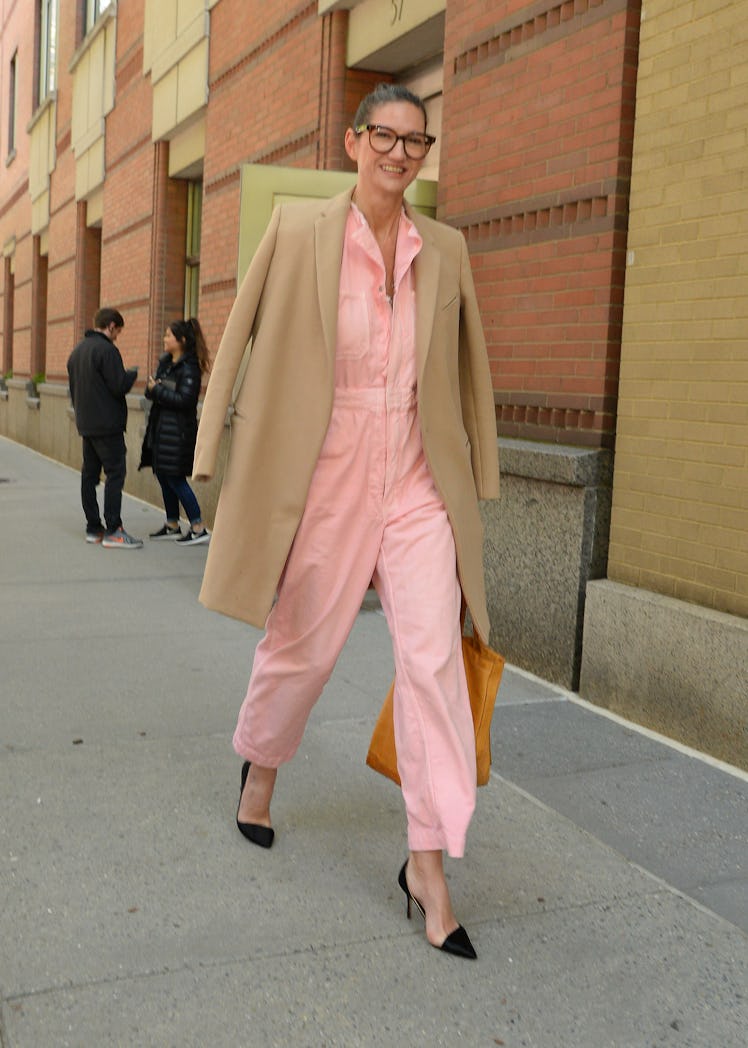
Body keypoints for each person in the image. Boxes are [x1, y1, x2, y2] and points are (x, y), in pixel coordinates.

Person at [192, 83, 500, 959]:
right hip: (326, 471)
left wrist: (480, 465)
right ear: (352, 141)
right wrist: (207, 447)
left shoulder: (445, 249)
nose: (401, 154)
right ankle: (260, 764)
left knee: (435, 660)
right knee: (303, 642)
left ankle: (428, 867)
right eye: (386, 137)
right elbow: (242, 331)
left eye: (417, 141)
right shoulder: (298, 231)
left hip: (413, 478)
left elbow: (468, 366)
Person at [67, 307, 143, 549]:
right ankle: (113, 530)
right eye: (118, 331)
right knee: (115, 474)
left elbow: (74, 390)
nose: (117, 336)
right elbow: (118, 386)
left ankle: (93, 528)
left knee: (89, 475)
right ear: (110, 326)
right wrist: (132, 374)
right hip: (108, 426)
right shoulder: (108, 351)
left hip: (86, 425)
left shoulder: (77, 352)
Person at [139, 318, 210, 545]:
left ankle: (198, 527)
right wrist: (154, 389)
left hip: (178, 431)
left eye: (169, 335)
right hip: (161, 428)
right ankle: (172, 524)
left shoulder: (189, 367)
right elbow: (150, 392)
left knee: (176, 477)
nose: (164, 339)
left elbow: (186, 400)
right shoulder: (167, 363)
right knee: (163, 474)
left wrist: (157, 389)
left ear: (181, 340)